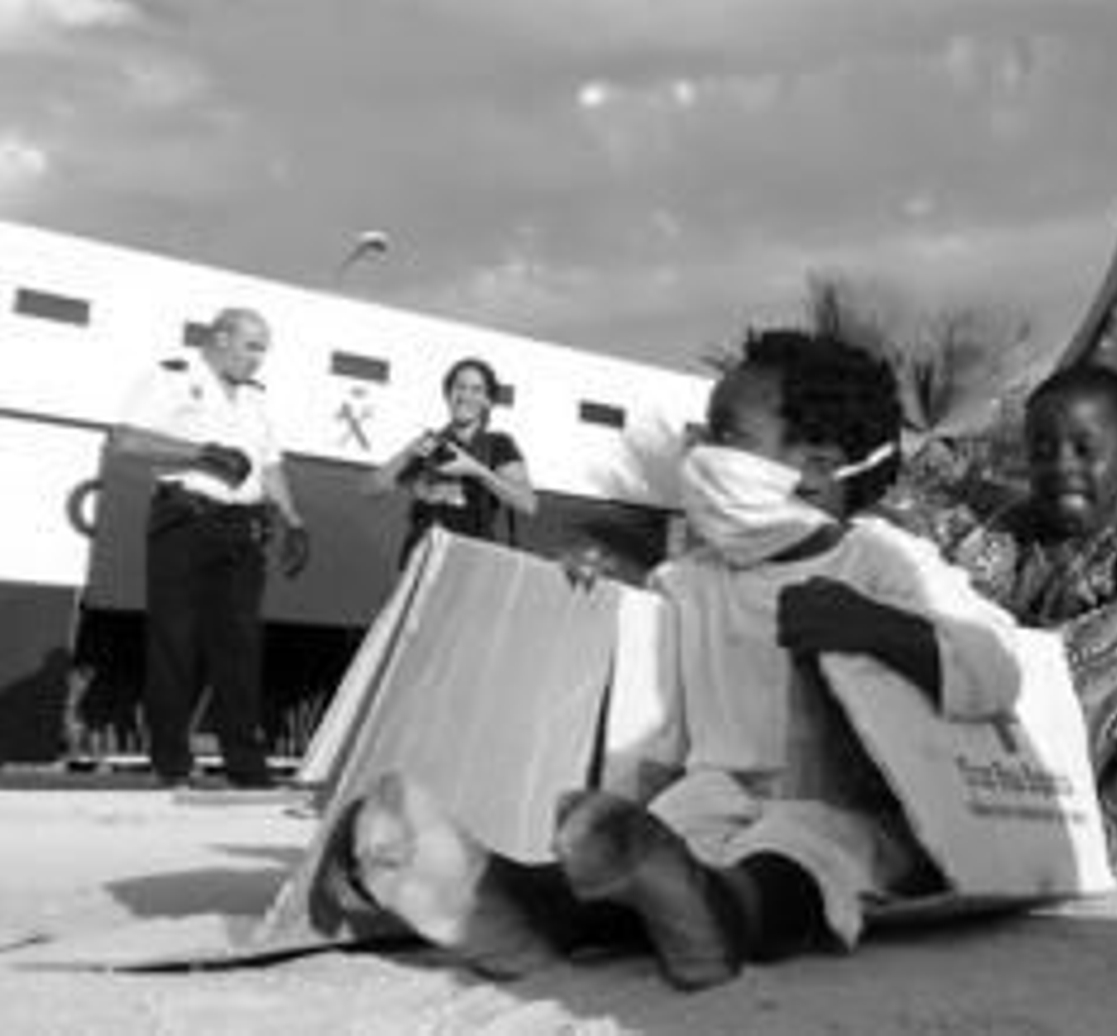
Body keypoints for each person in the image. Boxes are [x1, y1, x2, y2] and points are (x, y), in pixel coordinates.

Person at [324, 328, 1025, 990]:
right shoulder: (690, 579)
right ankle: (517, 902)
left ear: (815, 468)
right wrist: (589, 585)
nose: (698, 453)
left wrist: (876, 625)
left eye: (726, 435)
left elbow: (997, 665)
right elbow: (649, 687)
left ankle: (727, 919)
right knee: (652, 850)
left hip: (849, 803)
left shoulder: (880, 558)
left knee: (809, 847)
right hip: (715, 789)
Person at [950, 364, 1117, 855]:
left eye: (1084, 450)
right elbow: (966, 605)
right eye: (1042, 452)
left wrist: (1069, 663)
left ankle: (1091, 830)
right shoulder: (1008, 531)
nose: (1061, 466)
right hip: (1018, 712)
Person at [113, 307, 310, 789]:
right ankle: (173, 766)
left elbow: (269, 466)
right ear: (220, 338)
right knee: (174, 643)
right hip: (185, 520)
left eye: (264, 349)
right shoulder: (172, 377)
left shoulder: (255, 399)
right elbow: (126, 440)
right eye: (252, 346)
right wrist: (198, 453)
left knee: (240, 652)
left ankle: (247, 769)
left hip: (242, 531)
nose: (259, 359)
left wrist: (294, 520)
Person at [366, 357, 537, 564]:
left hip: (469, 566)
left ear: (488, 401)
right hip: (419, 562)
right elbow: (370, 488)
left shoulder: (498, 444)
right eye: (460, 387)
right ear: (448, 394)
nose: (465, 395)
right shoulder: (430, 443)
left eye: (476, 390)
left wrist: (476, 470)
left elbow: (528, 504)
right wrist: (408, 454)